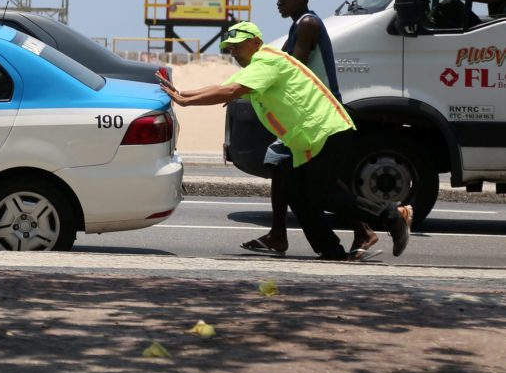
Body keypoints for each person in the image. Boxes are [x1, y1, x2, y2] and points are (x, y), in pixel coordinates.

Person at [159, 21, 413, 261]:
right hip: (307, 141)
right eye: (230, 49)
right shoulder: (254, 71)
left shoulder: (267, 61)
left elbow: (230, 91)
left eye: (238, 46)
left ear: (256, 41)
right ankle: (330, 251)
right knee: (297, 194)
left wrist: (185, 101)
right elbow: (220, 87)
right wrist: (178, 93)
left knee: (322, 194)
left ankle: (392, 215)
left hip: (326, 131)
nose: (234, 52)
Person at [239, 0, 378, 259]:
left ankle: (368, 225)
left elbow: (291, 71)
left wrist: (244, 88)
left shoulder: (308, 24)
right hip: (308, 115)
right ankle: (286, 234)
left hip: (318, 116)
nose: (279, 3)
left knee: (307, 179)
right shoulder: (298, 25)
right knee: (305, 177)